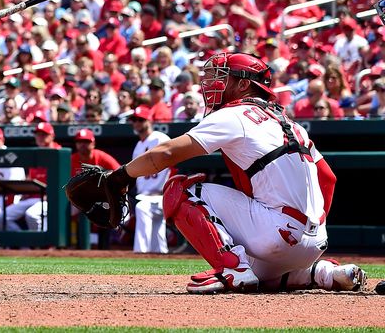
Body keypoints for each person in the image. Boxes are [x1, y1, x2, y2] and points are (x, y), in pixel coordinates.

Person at [98, 52, 366, 294]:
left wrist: (120, 177)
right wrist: (312, 229)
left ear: (243, 84)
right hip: (315, 241)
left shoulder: (234, 113)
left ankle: (233, 269)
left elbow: (166, 153)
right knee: (263, 277)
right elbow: (328, 179)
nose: (211, 84)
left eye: (220, 77)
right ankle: (323, 273)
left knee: (180, 189)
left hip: (278, 233)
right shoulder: (290, 123)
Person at [4, 122, 60, 232]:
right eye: (38, 134)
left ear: (52, 136)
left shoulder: (59, 152)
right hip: (33, 197)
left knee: (32, 214)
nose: (40, 137)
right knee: (3, 216)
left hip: (51, 198)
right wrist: (25, 192)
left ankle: (42, 244)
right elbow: (31, 178)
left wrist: (53, 195)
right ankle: (25, 244)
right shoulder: (36, 153)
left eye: (44, 134)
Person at [129, 106, 170, 254]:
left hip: (163, 195)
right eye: (135, 120)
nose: (137, 123)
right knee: (156, 229)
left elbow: (175, 159)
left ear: (149, 120)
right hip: (145, 196)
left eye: (141, 119)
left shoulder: (160, 138)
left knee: (142, 208)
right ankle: (160, 255)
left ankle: (141, 254)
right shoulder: (138, 146)